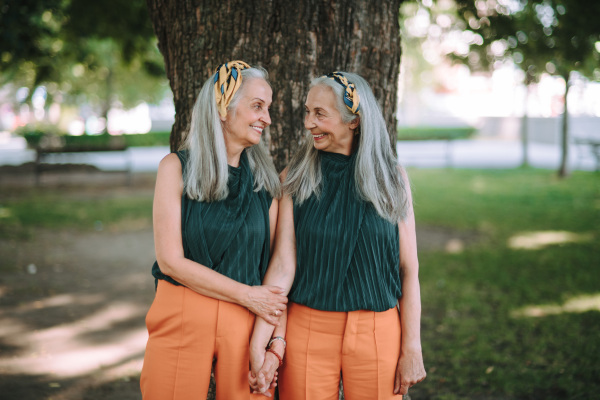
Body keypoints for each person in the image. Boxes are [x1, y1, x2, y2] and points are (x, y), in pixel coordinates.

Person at [249, 71, 426, 399]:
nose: (308, 123)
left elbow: (409, 270)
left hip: (378, 330)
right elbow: (283, 267)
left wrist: (411, 348)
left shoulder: (392, 180)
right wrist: (265, 343)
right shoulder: (294, 179)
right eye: (307, 111)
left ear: (353, 121)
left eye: (319, 114)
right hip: (308, 329)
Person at [140, 60, 287, 400]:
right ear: (223, 108)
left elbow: (277, 271)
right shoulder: (175, 168)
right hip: (180, 316)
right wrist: (247, 294)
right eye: (257, 106)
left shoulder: (267, 184)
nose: (267, 118)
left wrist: (274, 343)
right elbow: (170, 261)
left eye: (268, 108)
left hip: (247, 327)